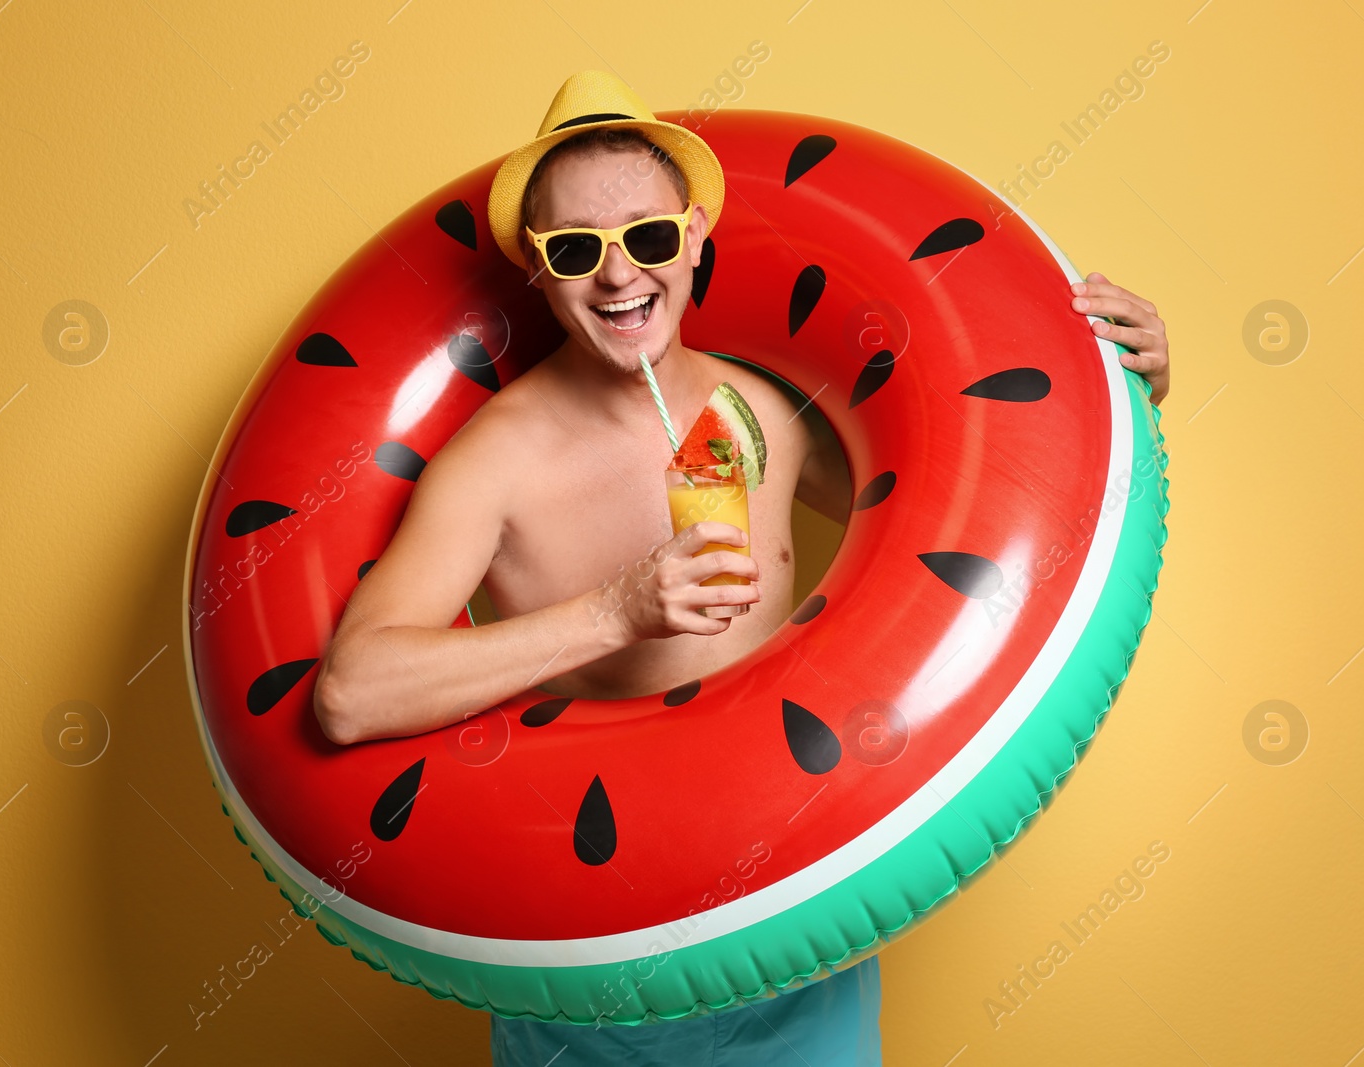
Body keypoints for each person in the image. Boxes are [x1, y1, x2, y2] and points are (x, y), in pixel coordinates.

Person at [312, 69, 1172, 1067]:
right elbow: (351, 692)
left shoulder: (765, 415)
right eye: (577, 250)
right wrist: (614, 610)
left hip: (794, 937)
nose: (619, 274)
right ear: (538, 273)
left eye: (647, 236)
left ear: (692, 236)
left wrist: (1127, 388)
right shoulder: (493, 461)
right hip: (591, 972)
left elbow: (973, 539)